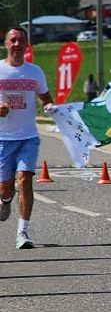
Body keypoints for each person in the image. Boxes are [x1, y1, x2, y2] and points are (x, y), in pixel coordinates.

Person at [0, 28, 52, 249]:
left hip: (28, 136)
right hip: (3, 138)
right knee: (5, 187)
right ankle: (4, 199)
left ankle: (22, 232)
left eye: (21, 40)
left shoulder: (35, 72)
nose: (17, 44)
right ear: (6, 44)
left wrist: (49, 107)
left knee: (25, 179)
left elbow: (45, 97)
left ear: (27, 44)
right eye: (13, 40)